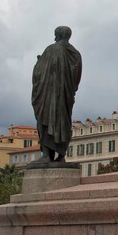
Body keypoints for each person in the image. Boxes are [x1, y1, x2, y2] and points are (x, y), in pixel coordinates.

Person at [31, 26, 82, 163]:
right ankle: (61, 156)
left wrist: (38, 63)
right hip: (65, 96)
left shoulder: (50, 50)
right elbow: (76, 77)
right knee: (63, 123)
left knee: (46, 121)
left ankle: (47, 155)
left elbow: (38, 73)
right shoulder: (75, 54)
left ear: (58, 35)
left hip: (48, 95)